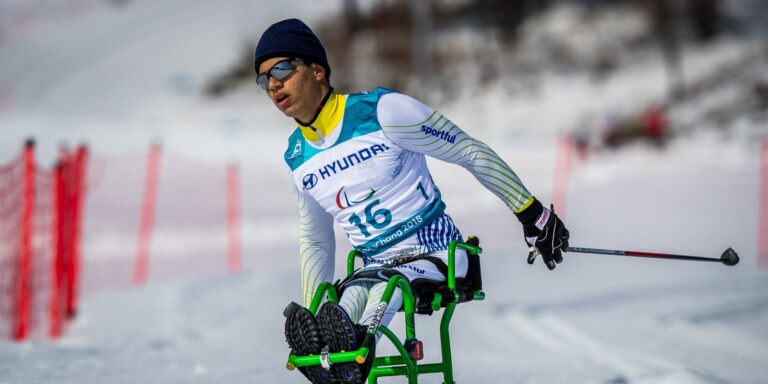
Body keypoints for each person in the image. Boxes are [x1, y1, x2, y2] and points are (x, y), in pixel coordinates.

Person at [254, 18, 570, 384]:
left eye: (282, 68)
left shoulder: (384, 112)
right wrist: (311, 310)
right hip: (372, 266)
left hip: (437, 253)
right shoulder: (298, 158)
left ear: (318, 70)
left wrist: (533, 215)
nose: (273, 83)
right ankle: (328, 348)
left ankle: (355, 350)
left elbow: (468, 151)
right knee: (348, 299)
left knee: (379, 294)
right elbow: (316, 239)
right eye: (264, 79)